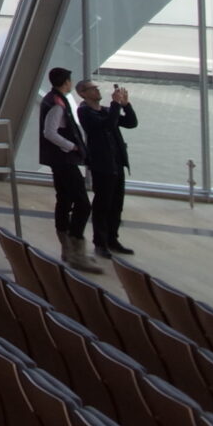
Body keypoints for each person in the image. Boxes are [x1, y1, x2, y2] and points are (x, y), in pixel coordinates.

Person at [37, 65, 103, 272]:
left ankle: (69, 250)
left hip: (60, 161)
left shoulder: (53, 99)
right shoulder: (57, 104)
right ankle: (76, 251)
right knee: (82, 204)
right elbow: (50, 132)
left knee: (64, 200)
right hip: (64, 160)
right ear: (66, 82)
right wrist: (72, 146)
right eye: (70, 81)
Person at [77, 79, 139, 258]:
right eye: (92, 88)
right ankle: (100, 242)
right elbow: (108, 125)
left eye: (96, 88)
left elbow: (131, 123)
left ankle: (112, 238)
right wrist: (115, 104)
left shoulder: (105, 110)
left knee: (116, 204)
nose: (97, 90)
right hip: (102, 165)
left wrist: (125, 105)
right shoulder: (84, 112)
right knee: (102, 204)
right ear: (83, 93)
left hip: (116, 163)